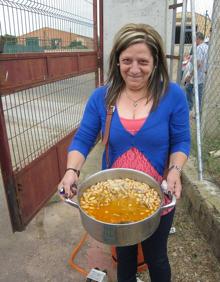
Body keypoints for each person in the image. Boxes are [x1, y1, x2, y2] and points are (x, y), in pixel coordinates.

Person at [58, 23, 190, 282]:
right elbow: (84, 138)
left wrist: (175, 170)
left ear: (155, 62)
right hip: (112, 197)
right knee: (124, 256)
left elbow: (182, 140)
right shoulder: (101, 98)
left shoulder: (172, 95)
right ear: (117, 61)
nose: (134, 68)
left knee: (156, 257)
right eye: (126, 60)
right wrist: (71, 171)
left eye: (143, 61)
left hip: (158, 196)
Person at [185, 32, 209, 114]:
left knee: (190, 89)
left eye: (194, 39)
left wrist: (190, 75)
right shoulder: (207, 47)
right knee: (193, 91)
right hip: (203, 75)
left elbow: (198, 64)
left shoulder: (199, 48)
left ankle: (190, 109)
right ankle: (197, 111)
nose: (193, 41)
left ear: (198, 39)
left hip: (197, 76)